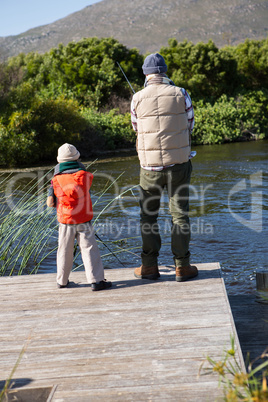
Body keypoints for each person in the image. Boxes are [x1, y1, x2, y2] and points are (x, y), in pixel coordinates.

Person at [131, 53, 198, 282]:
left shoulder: (137, 98)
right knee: (179, 216)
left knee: (148, 217)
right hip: (179, 164)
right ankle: (182, 266)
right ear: (165, 71)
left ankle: (149, 267)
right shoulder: (181, 92)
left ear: (146, 74)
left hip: (149, 168)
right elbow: (190, 123)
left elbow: (136, 128)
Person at [47, 143, 112, 291]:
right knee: (89, 249)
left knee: (64, 250)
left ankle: (62, 281)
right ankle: (96, 281)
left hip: (65, 221)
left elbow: (50, 203)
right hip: (84, 219)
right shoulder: (85, 176)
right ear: (76, 158)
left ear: (59, 160)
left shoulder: (55, 181)